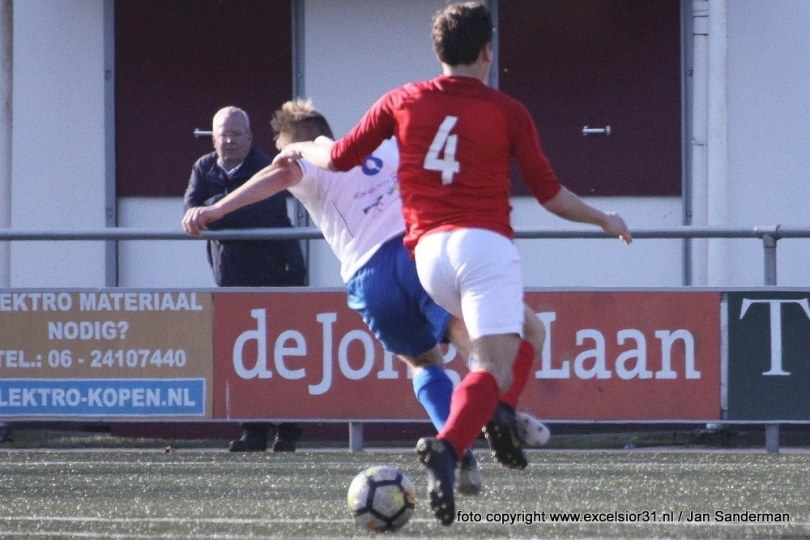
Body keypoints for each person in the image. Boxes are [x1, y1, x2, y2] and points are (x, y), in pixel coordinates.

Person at [273, 2, 632, 526]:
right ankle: (467, 433)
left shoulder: (402, 99)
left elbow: (342, 155)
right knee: (507, 354)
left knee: (493, 343)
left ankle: (493, 416)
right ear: (487, 53)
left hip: (426, 257)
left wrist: (304, 149)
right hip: (480, 247)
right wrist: (603, 218)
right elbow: (550, 194)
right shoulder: (507, 110)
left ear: (437, 51)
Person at [183, 99, 551, 494]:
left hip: (367, 278)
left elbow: (275, 177)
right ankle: (496, 414)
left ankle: (460, 453)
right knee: (480, 349)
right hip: (414, 254)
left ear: (295, 141)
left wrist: (215, 209)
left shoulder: (303, 158)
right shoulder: (383, 147)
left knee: (424, 362)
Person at [183, 106, 306, 453]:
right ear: (213, 136)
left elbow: (257, 211)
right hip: (231, 277)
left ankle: (287, 430)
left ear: (249, 138)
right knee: (245, 356)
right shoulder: (203, 167)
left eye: (236, 134)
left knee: (282, 356)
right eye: (223, 133)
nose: (229, 140)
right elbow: (190, 213)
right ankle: (252, 430)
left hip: (277, 274)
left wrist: (213, 211)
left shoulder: (265, 167)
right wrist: (214, 213)